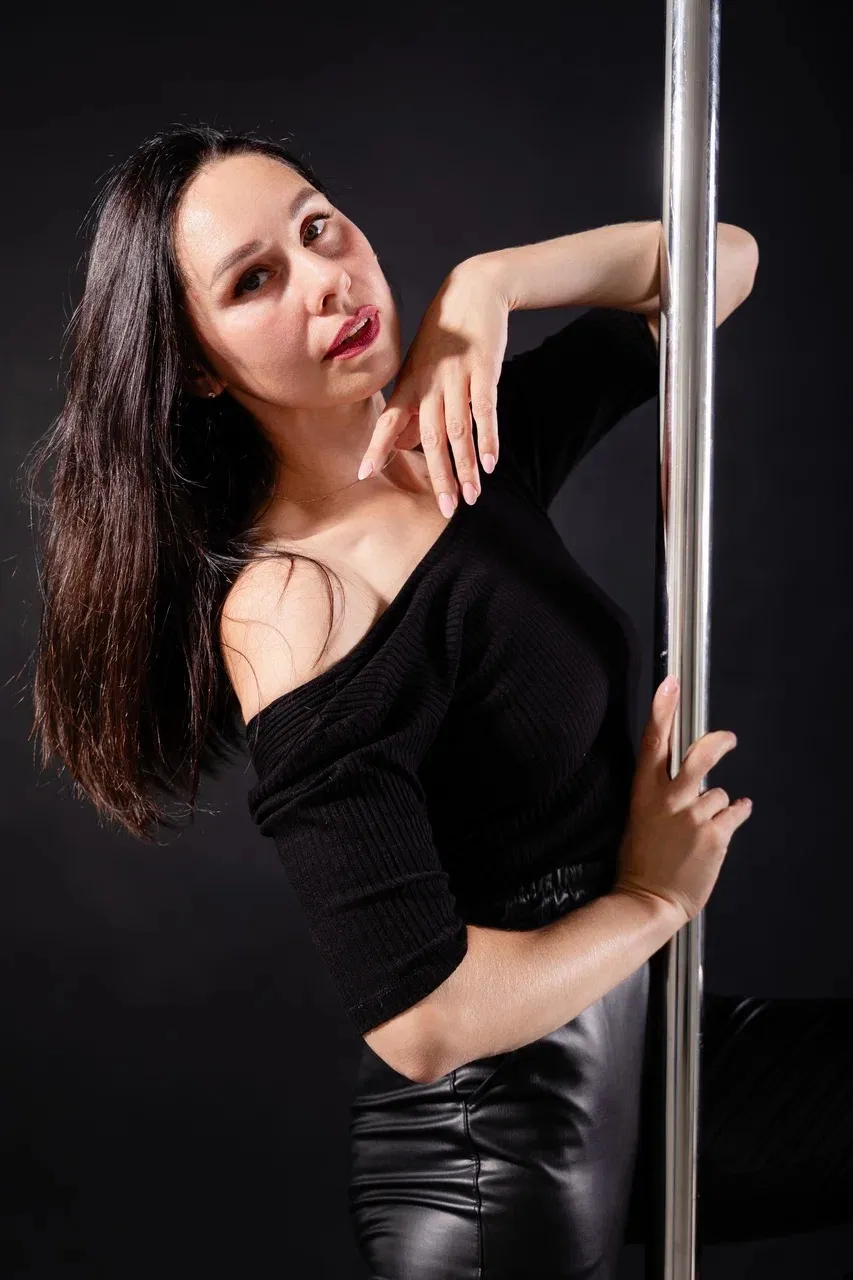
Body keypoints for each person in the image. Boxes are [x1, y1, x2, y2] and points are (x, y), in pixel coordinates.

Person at [28, 123, 853, 1278]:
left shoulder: (459, 445)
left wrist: (492, 281)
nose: (325, 280)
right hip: (494, 1153)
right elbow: (420, 1020)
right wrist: (654, 898)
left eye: (320, 228)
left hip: (650, 1048)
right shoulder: (292, 601)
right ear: (202, 366)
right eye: (255, 280)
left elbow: (723, 260)